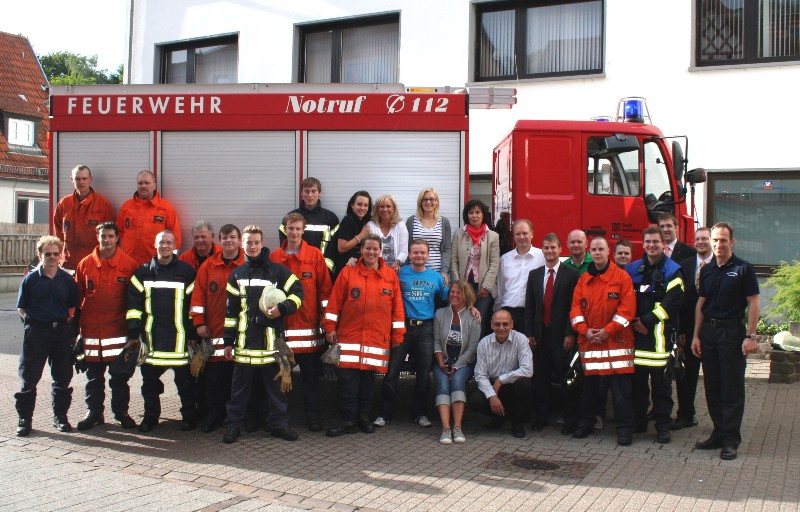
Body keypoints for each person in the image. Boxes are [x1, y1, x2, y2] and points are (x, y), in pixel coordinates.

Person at [221, 225, 304, 444]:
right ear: (242, 244)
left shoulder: (277, 272)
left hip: (271, 346)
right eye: (249, 242)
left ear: (262, 243)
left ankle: (278, 425)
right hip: (244, 344)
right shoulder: (236, 274)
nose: (253, 246)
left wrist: (282, 309)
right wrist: (228, 341)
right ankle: (233, 426)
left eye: (256, 242)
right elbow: (231, 312)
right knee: (238, 392)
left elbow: (298, 293)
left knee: (276, 392)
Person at [323, 234, 405, 437]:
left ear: (381, 251)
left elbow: (397, 310)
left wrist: (398, 336)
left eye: (375, 249)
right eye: (367, 248)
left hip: (376, 340)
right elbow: (334, 303)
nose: (371, 252)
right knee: (347, 383)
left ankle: (363, 418)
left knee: (368, 383)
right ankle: (347, 420)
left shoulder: (390, 276)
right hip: (350, 338)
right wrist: (330, 327)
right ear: (362, 250)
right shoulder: (348, 273)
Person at [691, 222, 759, 461]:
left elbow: (753, 302)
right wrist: (696, 336)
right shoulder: (706, 270)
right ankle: (718, 434)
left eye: (723, 240)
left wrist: (750, 336)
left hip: (732, 334)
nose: (718, 244)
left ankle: (731, 441)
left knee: (731, 389)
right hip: (709, 333)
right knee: (712, 387)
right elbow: (701, 304)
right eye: (715, 240)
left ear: (732, 242)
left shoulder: (743, 269)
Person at [126, 230, 197, 433]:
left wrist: (192, 334)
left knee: (185, 385)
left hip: (180, 342)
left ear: (175, 245)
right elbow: (133, 306)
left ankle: (189, 418)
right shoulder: (142, 272)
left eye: (168, 242)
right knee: (149, 385)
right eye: (161, 242)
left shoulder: (186, 272)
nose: (165, 246)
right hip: (152, 341)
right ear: (154, 245)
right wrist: (134, 333)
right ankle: (150, 418)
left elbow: (194, 306)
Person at [374, 239, 449, 429]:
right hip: (402, 328)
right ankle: (385, 414)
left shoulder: (436, 278)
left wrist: (470, 309)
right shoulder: (398, 274)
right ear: (409, 254)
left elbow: (449, 299)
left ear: (428, 255)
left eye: (423, 253)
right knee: (391, 374)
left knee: (423, 375)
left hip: (426, 330)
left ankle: (420, 414)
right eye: (415, 252)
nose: (419, 256)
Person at [570, 237, 637, 446]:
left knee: (620, 392)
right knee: (588, 390)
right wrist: (585, 331)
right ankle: (585, 423)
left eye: (601, 249)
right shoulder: (584, 279)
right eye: (594, 249)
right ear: (590, 252)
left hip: (616, 344)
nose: (597, 253)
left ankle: (625, 429)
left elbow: (627, 311)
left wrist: (607, 331)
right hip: (591, 344)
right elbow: (575, 310)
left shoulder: (622, 277)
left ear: (608, 251)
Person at [73, 222, 139, 430]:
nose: (107, 240)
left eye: (111, 236)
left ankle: (120, 413)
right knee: (93, 379)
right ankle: (94, 413)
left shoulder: (129, 265)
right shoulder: (85, 264)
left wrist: (134, 333)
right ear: (97, 237)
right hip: (91, 333)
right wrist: (76, 334)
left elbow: (135, 302)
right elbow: (76, 300)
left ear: (117, 238)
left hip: (118, 334)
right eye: (103, 236)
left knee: (119, 378)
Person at [270, 213, 333, 432]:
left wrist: (326, 322)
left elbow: (325, 292)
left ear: (303, 230)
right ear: (284, 229)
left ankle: (313, 418)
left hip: (309, 333)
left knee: (311, 380)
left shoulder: (315, 255)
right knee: (280, 379)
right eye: (290, 228)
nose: (294, 232)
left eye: (298, 228)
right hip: (282, 332)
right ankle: (280, 421)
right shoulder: (275, 257)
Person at [14, 236, 79, 436]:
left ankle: (60, 417)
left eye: (55, 253)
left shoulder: (68, 280)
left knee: (62, 376)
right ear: (39, 255)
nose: (52, 257)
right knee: (29, 377)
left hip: (60, 332)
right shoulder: (30, 280)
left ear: (61, 255)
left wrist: (61, 326)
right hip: (36, 332)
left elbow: (72, 308)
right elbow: (21, 308)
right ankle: (24, 419)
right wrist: (34, 325)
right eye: (47, 254)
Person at [625, 227, 684, 444]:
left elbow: (672, 302)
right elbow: (624, 300)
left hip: (660, 339)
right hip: (636, 338)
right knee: (637, 386)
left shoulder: (673, 270)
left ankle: (663, 427)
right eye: (648, 241)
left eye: (656, 242)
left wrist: (646, 321)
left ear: (663, 244)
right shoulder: (632, 270)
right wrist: (634, 322)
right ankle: (639, 422)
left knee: (661, 388)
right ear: (643, 244)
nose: (652, 245)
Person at [189, 224, 245, 433]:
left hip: (240, 337)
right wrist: (199, 323)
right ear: (219, 241)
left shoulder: (247, 265)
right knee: (214, 382)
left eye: (232, 237)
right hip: (214, 334)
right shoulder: (209, 266)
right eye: (225, 238)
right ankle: (214, 415)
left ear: (239, 240)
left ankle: (238, 418)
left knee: (239, 383)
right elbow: (198, 298)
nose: (229, 241)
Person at [524, 233, 580, 433]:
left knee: (566, 379)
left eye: (553, 248)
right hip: (540, 336)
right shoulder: (535, 274)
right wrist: (529, 333)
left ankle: (570, 419)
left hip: (561, 337)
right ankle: (541, 418)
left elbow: (574, 308)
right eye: (546, 248)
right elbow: (530, 307)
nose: (549, 251)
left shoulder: (571, 274)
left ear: (560, 249)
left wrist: (570, 333)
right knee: (540, 379)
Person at [671, 227, 713, 430]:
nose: (701, 242)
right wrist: (679, 332)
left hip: (714, 330)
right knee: (686, 375)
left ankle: (719, 421)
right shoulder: (685, 266)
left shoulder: (720, 265)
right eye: (697, 239)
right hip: (687, 331)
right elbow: (678, 301)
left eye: (705, 238)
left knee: (715, 377)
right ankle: (686, 414)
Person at [468, 309, 533, 438]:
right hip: (493, 386)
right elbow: (480, 375)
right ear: (492, 325)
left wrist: (501, 380)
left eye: (505, 324)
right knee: (475, 400)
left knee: (526, 385)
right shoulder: (484, 343)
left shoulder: (521, 339)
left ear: (512, 324)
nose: (501, 328)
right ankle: (498, 417)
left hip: (513, 385)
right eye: (497, 324)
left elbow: (528, 370)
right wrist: (492, 396)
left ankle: (517, 422)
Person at [433, 281, 480, 444]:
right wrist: (441, 362)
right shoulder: (440, 313)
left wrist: (457, 366)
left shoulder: (474, 317)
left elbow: (472, 349)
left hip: (464, 362)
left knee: (458, 382)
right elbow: (437, 342)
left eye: (458, 293)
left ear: (466, 296)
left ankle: (457, 428)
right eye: (452, 292)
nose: (454, 295)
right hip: (443, 361)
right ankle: (446, 429)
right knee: (443, 385)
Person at [53, 165, 116, 271]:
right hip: (68, 265)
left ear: (90, 180)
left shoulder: (103, 204)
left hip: (94, 264)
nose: (81, 182)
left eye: (84, 178)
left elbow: (112, 237)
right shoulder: (64, 204)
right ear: (72, 180)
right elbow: (58, 234)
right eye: (77, 179)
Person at [451, 199, 499, 337]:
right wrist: (457, 285)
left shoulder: (493, 236)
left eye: (478, 212)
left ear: (483, 214)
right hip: (463, 284)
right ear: (467, 215)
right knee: (461, 320)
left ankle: (478, 355)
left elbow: (494, 263)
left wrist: (487, 286)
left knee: (479, 321)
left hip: (483, 286)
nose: (474, 215)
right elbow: (453, 260)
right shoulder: (459, 234)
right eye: (471, 213)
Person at [117, 170, 182, 264]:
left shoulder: (166, 208)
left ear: (154, 185)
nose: (143, 186)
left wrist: (172, 261)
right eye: (140, 183)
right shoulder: (126, 206)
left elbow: (176, 238)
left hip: (156, 265)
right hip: (128, 263)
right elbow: (118, 235)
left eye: (147, 183)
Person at [278, 177, 340, 273]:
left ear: (319, 193)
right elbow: (285, 247)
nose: (310, 195)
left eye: (313, 191)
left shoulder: (331, 219)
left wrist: (325, 269)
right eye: (306, 191)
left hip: (322, 269)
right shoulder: (290, 218)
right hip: (295, 269)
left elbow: (333, 250)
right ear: (302, 194)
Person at [495, 219, 545, 331]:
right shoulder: (504, 259)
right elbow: (500, 289)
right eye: (518, 234)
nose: (521, 237)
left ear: (532, 234)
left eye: (525, 233)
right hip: (509, 314)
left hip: (533, 314)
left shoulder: (542, 257)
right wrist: (498, 311)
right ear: (513, 236)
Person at [405, 187, 452, 283]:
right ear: (420, 202)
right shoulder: (411, 221)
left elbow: (447, 249)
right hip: (414, 272)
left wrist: (444, 271)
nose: (428, 202)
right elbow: (406, 248)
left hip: (437, 273)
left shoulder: (444, 222)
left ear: (436, 201)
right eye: (425, 199)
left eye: (431, 199)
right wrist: (405, 270)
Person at [333, 191, 372, 281]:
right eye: (359, 204)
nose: (362, 208)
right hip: (345, 270)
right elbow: (341, 248)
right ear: (352, 205)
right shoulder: (348, 220)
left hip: (358, 269)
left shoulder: (366, 222)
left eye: (366, 205)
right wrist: (362, 235)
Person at [367, 194, 408, 271]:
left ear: (394, 209)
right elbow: (369, 250)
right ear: (377, 209)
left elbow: (404, 251)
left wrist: (396, 263)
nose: (385, 209)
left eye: (388, 206)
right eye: (381, 206)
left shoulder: (401, 226)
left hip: (395, 270)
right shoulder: (371, 225)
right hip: (375, 269)